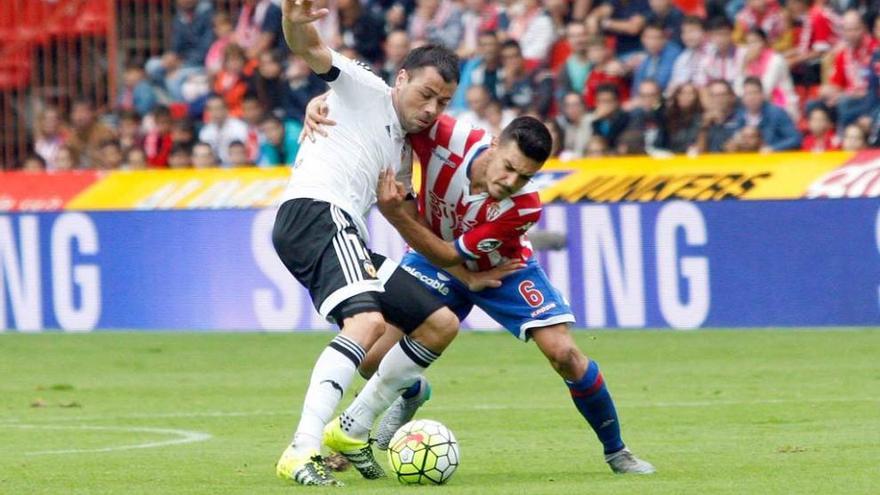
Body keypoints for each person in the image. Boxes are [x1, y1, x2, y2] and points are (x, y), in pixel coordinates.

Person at [303, 104, 656, 475]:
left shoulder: (524, 207)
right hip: (431, 261)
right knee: (372, 360)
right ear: (494, 144)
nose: (510, 182)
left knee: (564, 352)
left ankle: (617, 452)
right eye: (509, 167)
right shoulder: (446, 137)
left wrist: (412, 228)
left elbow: (451, 253)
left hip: (500, 271)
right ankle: (412, 391)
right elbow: (392, 109)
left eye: (524, 177)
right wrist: (327, 103)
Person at [272, 0, 474, 486]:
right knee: (366, 323)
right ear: (401, 79)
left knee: (439, 323)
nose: (431, 109)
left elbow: (395, 208)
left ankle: (352, 429)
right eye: (425, 94)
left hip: (348, 231)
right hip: (317, 211)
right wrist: (292, 23)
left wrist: (397, 207)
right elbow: (312, 48)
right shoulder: (365, 87)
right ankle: (301, 450)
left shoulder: (403, 149)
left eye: (442, 103)